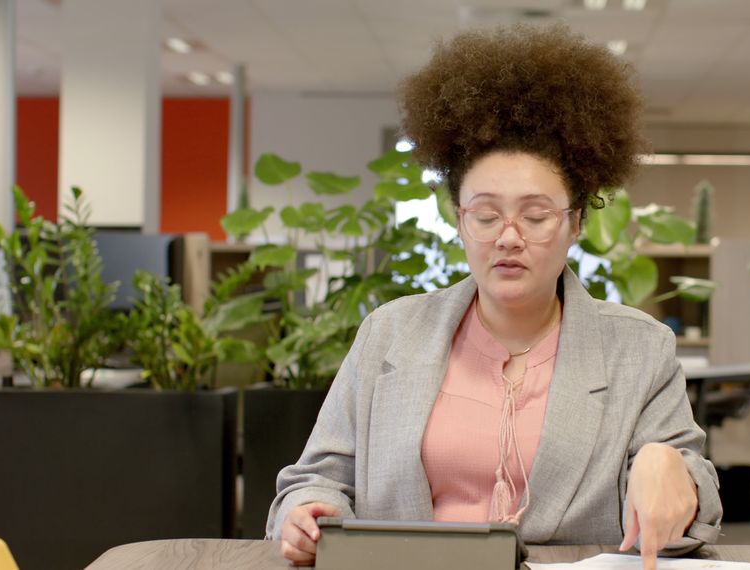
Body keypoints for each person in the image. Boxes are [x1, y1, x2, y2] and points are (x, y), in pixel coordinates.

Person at [267, 23, 723, 569]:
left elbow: (689, 512)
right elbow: (316, 479)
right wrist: (307, 509)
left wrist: (670, 469)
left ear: (575, 222)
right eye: (486, 215)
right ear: (460, 220)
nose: (508, 236)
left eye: (535, 215)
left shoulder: (638, 349)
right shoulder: (391, 332)